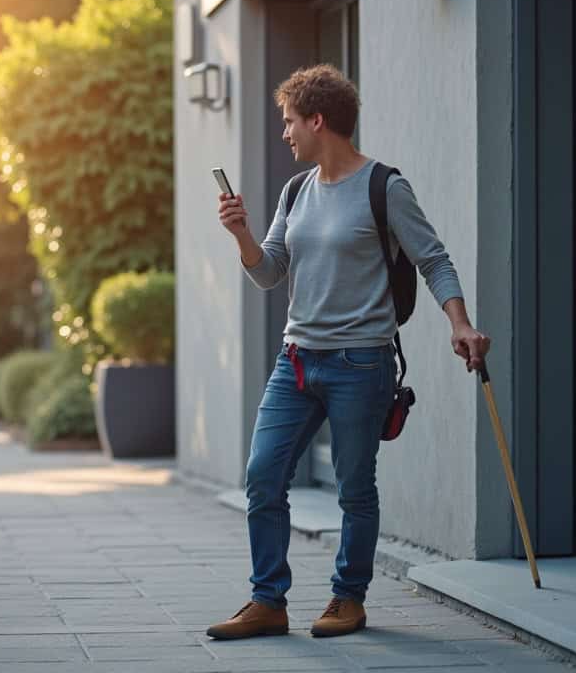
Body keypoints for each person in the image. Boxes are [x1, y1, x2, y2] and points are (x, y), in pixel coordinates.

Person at [206, 64, 491, 640]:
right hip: (297, 361)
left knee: (354, 487)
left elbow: (433, 258)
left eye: (290, 122)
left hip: (362, 363)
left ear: (318, 120)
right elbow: (271, 273)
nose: (285, 133)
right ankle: (268, 601)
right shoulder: (296, 191)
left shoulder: (385, 187)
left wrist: (459, 323)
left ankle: (348, 598)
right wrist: (241, 234)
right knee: (262, 476)